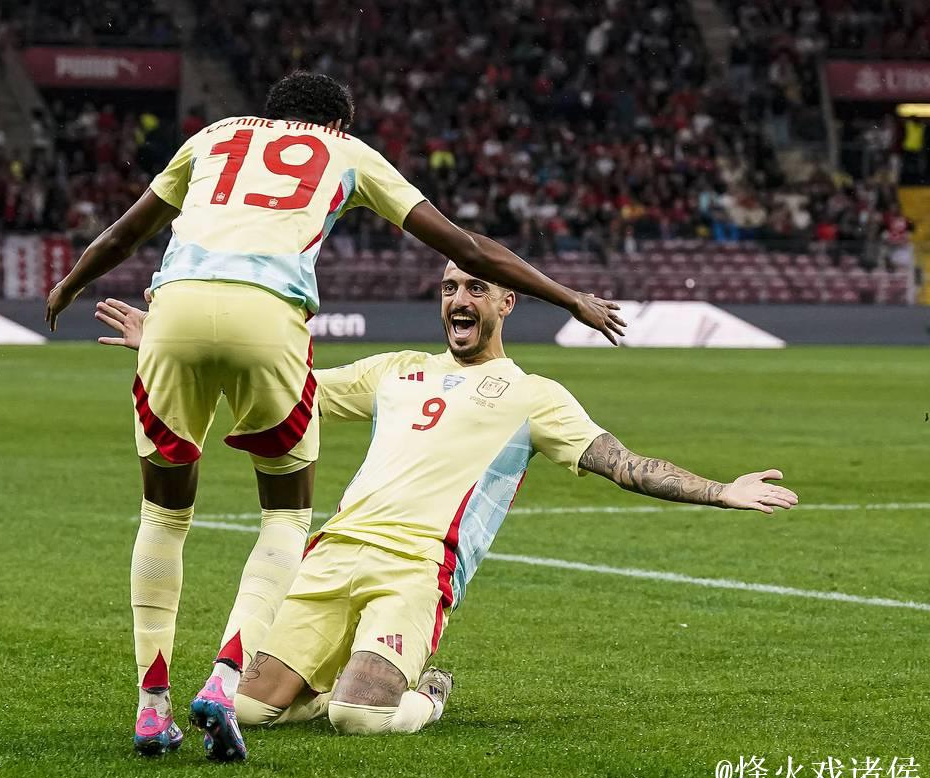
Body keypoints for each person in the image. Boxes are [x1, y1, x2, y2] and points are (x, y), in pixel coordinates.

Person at [46, 71, 626, 762]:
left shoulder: (212, 136)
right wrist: (570, 299)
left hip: (171, 307)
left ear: (270, 112)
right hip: (268, 314)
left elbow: (124, 233)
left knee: (164, 515)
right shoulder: (348, 153)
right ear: (338, 124)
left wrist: (70, 284)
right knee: (285, 517)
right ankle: (224, 679)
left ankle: (151, 709)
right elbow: (466, 247)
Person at [95, 262, 797, 745]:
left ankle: (424, 694)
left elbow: (625, 465)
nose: (459, 299)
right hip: (330, 555)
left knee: (359, 719)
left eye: (476, 288)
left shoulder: (535, 396)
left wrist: (721, 491)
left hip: (415, 569)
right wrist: (169, 346)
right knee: (248, 708)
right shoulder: (394, 370)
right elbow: (284, 389)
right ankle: (327, 680)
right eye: (450, 287)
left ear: (506, 303)